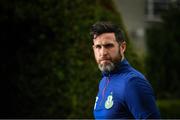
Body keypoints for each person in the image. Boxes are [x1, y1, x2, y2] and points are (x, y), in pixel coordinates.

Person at [90, 21, 160, 119]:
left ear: (122, 47)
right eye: (98, 47)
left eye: (109, 46)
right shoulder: (104, 81)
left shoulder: (133, 82)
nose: (103, 52)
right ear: (94, 49)